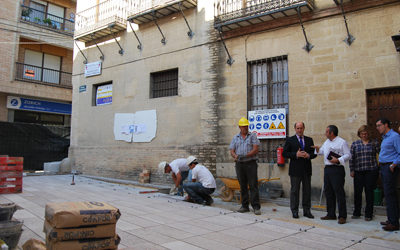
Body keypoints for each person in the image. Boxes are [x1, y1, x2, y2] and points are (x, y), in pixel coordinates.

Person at [313, 125, 351, 224]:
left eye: (326, 132)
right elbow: (322, 152)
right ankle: (331, 214)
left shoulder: (342, 142)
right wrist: (317, 149)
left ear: (331, 133)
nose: (325, 133)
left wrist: (338, 160)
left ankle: (342, 216)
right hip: (328, 169)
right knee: (328, 191)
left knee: (339, 192)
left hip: (337, 169)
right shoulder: (326, 142)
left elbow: (348, 155)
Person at [283, 122, 317, 219]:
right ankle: (294, 211)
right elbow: (284, 153)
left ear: (304, 128)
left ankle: (307, 210)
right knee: (294, 191)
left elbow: (314, 154)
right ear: (295, 129)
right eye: (297, 128)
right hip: (295, 170)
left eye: (301, 128)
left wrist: (309, 155)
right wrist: (295, 155)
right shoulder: (290, 140)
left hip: (306, 170)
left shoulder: (309, 140)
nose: (299, 130)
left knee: (307, 191)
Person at [229, 117, 261, 215]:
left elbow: (255, 149)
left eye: (246, 126)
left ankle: (256, 207)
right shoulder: (235, 137)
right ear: (239, 127)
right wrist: (235, 156)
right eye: (243, 127)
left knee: (253, 185)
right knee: (243, 186)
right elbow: (231, 150)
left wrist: (246, 155)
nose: (245, 128)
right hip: (239, 164)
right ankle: (245, 206)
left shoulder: (253, 136)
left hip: (250, 163)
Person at [349, 125, 379, 221]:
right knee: (358, 193)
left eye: (366, 133)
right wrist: (352, 170)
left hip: (371, 171)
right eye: (362, 134)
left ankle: (368, 214)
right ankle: (357, 212)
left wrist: (378, 167)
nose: (364, 135)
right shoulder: (355, 144)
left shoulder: (374, 143)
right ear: (359, 134)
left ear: (368, 134)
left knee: (369, 193)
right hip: (358, 171)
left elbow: (381, 154)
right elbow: (351, 158)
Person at [376, 118, 400, 231]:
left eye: (379, 125)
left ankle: (394, 223)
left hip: (390, 167)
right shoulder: (385, 137)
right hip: (384, 167)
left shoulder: (394, 136)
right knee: (388, 194)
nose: (377, 128)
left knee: (390, 194)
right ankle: (391, 219)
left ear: (386, 125)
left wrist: (393, 164)